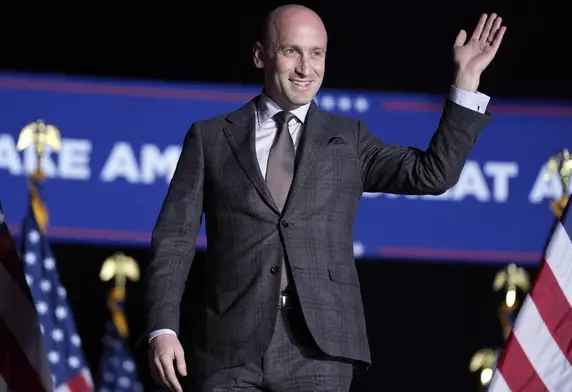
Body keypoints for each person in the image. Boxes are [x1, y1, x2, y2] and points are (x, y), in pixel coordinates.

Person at [144, 4, 506, 392]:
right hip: (229, 351)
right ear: (260, 55)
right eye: (291, 51)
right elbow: (174, 241)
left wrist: (467, 79)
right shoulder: (211, 138)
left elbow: (432, 173)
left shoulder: (348, 139)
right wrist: (162, 328)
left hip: (320, 353)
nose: (305, 67)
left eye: (316, 53)